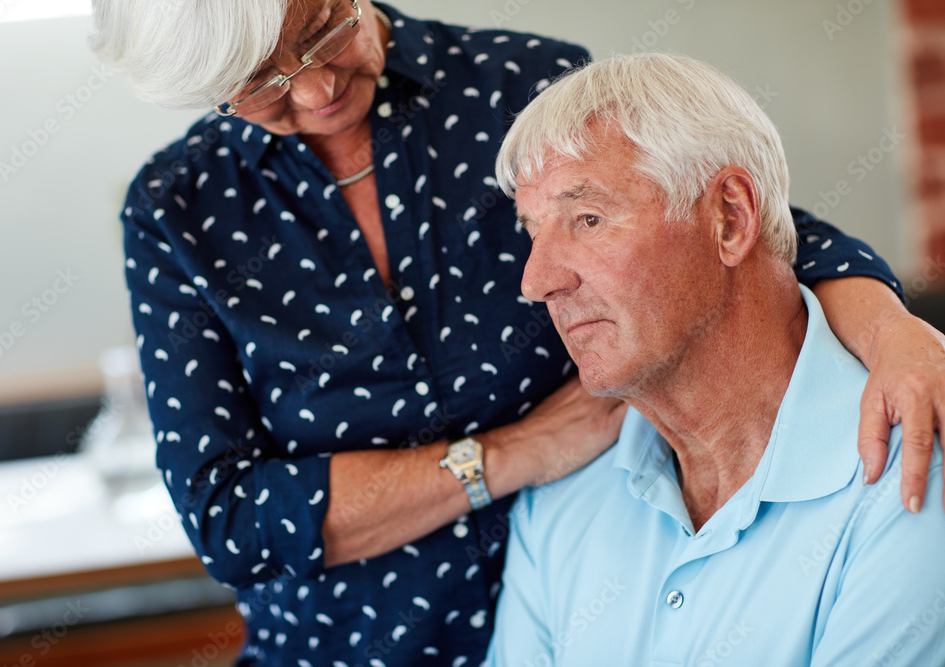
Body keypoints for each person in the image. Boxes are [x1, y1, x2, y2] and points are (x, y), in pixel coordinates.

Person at [89, 1, 945, 664]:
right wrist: (515, 454)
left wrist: (894, 324)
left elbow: (728, 219)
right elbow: (230, 516)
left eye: (322, 28)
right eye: (262, 81)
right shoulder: (179, 207)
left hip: (606, 593)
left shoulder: (509, 85)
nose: (315, 90)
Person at [487, 53, 945, 666]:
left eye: (588, 219)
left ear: (730, 218)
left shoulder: (913, 473)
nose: (536, 279)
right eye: (533, 232)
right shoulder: (559, 504)